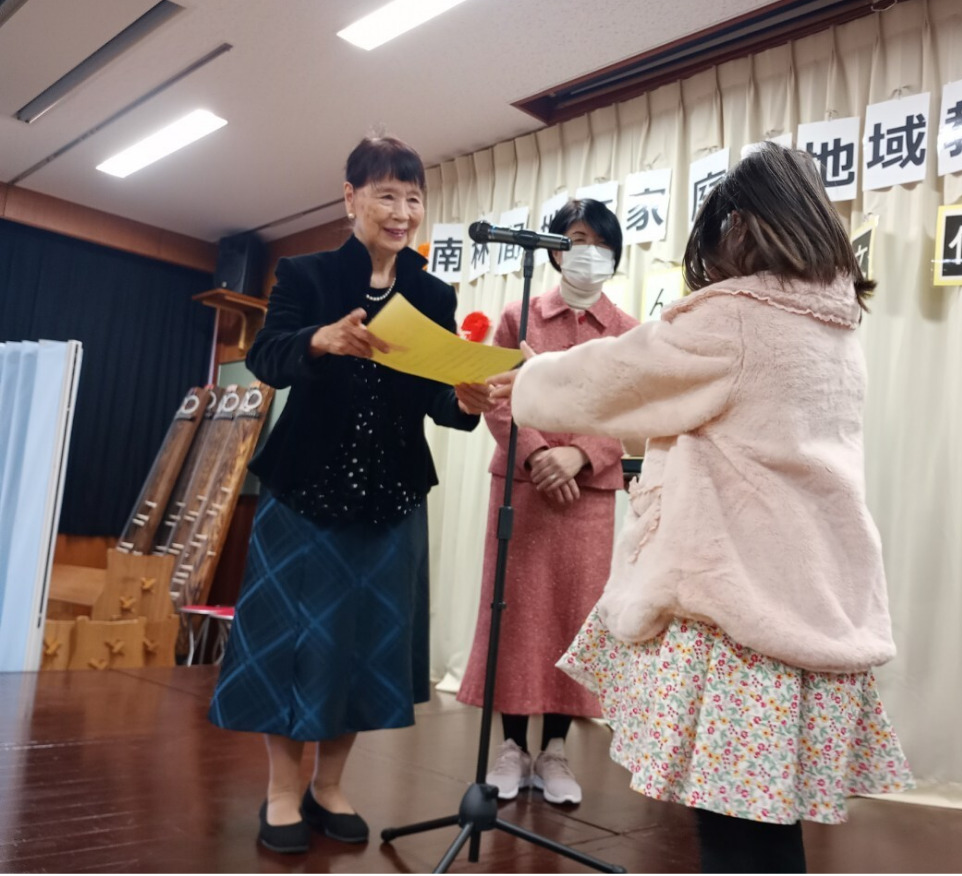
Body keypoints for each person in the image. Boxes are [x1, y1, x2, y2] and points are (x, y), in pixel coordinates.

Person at [489, 142, 913, 873]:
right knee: (768, 823)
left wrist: (529, 380)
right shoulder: (834, 322)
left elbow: (622, 373)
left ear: (741, 225)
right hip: (810, 594)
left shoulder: (739, 317)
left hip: (740, 609)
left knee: (734, 833)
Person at [208, 135, 493, 855]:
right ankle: (281, 790)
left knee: (361, 647)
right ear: (351, 198)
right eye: (386, 195)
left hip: (391, 497)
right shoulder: (305, 274)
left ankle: (329, 786)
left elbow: (436, 398)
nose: (402, 212)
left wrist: (464, 400)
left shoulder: (433, 294)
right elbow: (266, 356)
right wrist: (319, 340)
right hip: (304, 490)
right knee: (291, 646)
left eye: (413, 198)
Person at [457, 199, 639, 805]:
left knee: (571, 616)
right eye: (577, 239)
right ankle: (512, 747)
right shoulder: (520, 316)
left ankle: (556, 750)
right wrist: (537, 454)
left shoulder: (627, 331)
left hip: (587, 497)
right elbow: (496, 397)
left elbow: (633, 411)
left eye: (602, 243)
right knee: (515, 613)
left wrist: (583, 455)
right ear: (555, 248)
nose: (589, 253)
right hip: (523, 489)